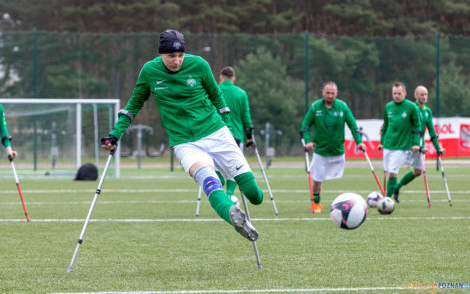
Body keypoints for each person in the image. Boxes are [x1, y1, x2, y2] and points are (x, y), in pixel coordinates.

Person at [101, 29, 263, 242]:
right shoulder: (149, 71)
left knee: (255, 195)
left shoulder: (199, 65)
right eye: (171, 56)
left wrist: (230, 131)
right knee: (209, 181)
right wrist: (115, 134)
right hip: (184, 142)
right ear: (161, 54)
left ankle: (234, 201)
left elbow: (218, 99)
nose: (177, 61)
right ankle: (231, 212)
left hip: (216, 132)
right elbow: (134, 105)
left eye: (180, 56)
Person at [300, 81, 365, 213]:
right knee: (317, 179)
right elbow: (305, 126)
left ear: (336, 94)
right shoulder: (315, 107)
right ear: (322, 92)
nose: (330, 95)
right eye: (327, 93)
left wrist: (359, 142)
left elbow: (353, 126)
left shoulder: (342, 107)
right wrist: (307, 141)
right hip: (320, 151)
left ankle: (349, 204)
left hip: (338, 151)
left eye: (333, 93)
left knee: (342, 178)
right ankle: (316, 203)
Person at [392, 85, 445, 202]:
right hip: (408, 143)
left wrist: (438, 148)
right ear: (415, 96)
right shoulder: (411, 108)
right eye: (422, 94)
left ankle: (397, 187)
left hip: (420, 145)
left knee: (417, 172)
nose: (424, 97)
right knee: (395, 168)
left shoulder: (427, 112)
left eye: (426, 94)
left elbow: (432, 132)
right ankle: (391, 189)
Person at [217, 66, 255, 200]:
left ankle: (219, 189)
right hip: (236, 137)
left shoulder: (215, 90)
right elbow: (246, 118)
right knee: (234, 168)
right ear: (234, 79)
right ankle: (229, 195)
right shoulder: (241, 93)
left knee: (216, 166)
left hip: (215, 135)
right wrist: (250, 138)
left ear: (220, 78)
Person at [378, 82, 421, 200]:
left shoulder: (411, 107)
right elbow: (385, 126)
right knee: (388, 171)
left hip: (401, 145)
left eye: (399, 93)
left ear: (405, 94)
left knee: (392, 172)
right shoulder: (388, 107)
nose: (396, 96)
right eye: (394, 93)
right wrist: (381, 142)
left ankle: (387, 200)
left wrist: (416, 143)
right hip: (388, 144)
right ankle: (391, 192)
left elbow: (417, 126)